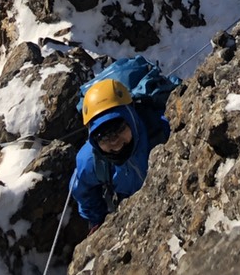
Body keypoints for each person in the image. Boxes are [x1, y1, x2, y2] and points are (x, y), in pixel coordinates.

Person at [71, 77, 170, 232]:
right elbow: (83, 190)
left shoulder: (162, 126)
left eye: (118, 129)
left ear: (131, 117)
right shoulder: (90, 160)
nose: (115, 143)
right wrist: (97, 219)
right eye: (103, 137)